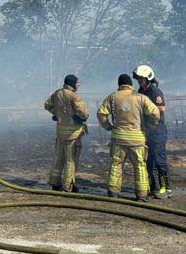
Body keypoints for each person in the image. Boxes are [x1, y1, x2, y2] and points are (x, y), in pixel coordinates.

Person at [97, 74, 160, 202]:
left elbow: (101, 113)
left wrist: (108, 127)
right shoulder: (140, 97)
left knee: (116, 164)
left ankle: (113, 192)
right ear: (131, 84)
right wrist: (148, 127)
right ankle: (142, 195)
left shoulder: (112, 97)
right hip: (137, 139)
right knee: (140, 166)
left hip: (118, 138)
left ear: (119, 84)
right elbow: (155, 113)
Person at [133, 64, 173, 198]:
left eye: (142, 78)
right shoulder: (141, 91)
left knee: (159, 159)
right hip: (147, 131)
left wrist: (150, 120)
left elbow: (161, 111)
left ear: (148, 78)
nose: (140, 80)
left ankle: (165, 188)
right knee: (148, 161)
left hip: (158, 131)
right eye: (138, 78)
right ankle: (152, 185)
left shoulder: (155, 92)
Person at [44, 74, 88, 192]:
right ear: (72, 84)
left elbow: (47, 105)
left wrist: (57, 114)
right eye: (77, 83)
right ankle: (68, 185)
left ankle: (55, 182)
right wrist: (82, 118)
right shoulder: (75, 96)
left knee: (59, 157)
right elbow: (83, 113)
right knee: (70, 160)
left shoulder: (57, 93)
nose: (78, 86)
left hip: (60, 133)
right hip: (73, 134)